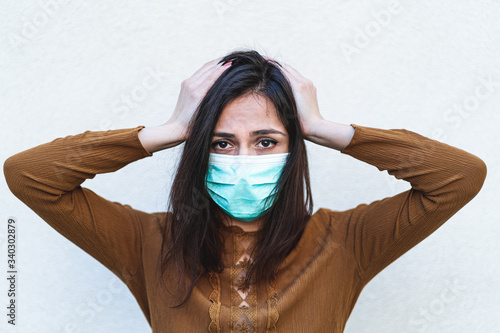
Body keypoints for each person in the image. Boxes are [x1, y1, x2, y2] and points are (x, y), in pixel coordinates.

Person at [4, 50, 487, 333]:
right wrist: (170, 128)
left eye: (266, 141)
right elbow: (31, 175)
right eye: (221, 142)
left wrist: (321, 126)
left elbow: (457, 177)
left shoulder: (346, 240)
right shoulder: (146, 240)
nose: (243, 161)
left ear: (293, 147)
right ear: (198, 149)